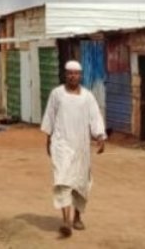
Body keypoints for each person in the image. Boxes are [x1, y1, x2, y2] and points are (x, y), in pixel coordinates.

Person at [40, 60, 106, 238]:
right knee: (62, 180)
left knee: (80, 183)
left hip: (81, 147)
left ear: (80, 75)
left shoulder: (88, 96)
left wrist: (100, 136)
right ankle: (66, 221)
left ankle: (77, 217)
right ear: (65, 74)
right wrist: (48, 140)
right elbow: (50, 117)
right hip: (61, 145)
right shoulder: (57, 94)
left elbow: (95, 118)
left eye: (76, 73)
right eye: (69, 73)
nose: (72, 76)